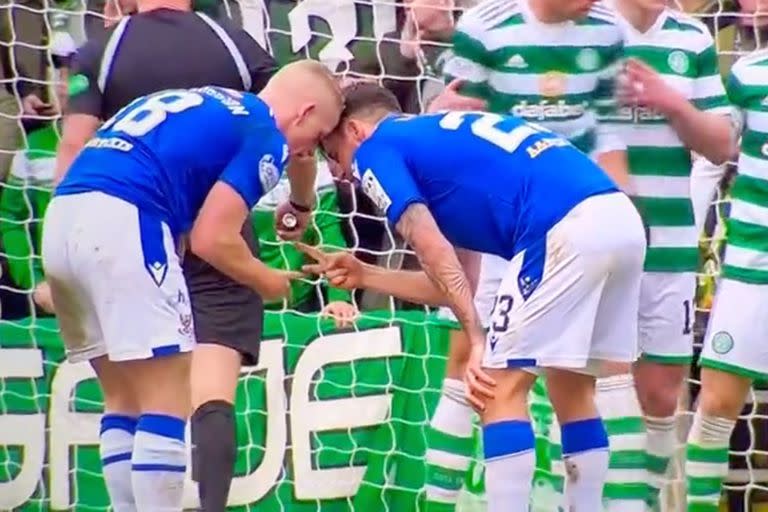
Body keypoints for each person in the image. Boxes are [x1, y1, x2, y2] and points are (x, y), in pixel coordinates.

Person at [306, 82, 646, 512]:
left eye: (335, 156)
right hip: (618, 218)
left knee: (493, 387)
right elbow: (451, 284)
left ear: (355, 131)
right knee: (571, 385)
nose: (342, 173)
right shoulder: (438, 151)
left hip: (562, 225)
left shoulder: (378, 148)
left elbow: (427, 242)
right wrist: (365, 274)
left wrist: (478, 339)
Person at [41, 63, 343, 512]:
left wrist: (300, 195)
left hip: (63, 219)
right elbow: (213, 239)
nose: (307, 150)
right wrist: (268, 280)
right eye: (317, 136)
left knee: (122, 398)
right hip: (127, 219)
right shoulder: (264, 132)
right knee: (168, 397)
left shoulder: (205, 99)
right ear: (304, 112)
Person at [426, 0, 633, 507]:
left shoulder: (607, 29)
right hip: (497, 226)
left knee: (568, 382)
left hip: (574, 228)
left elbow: (609, 132)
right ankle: (437, 499)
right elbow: (454, 130)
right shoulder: (483, 29)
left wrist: (617, 208)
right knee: (467, 365)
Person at [608, 1, 735, 508]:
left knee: (661, 397)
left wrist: (673, 104)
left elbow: (722, 144)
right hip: (599, 245)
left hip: (671, 244)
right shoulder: (584, 28)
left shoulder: (692, 38)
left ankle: (640, 502)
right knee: (600, 389)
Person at [685, 47, 767, 512]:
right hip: (750, 269)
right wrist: (683, 249)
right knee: (715, 405)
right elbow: (711, 163)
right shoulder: (748, 74)